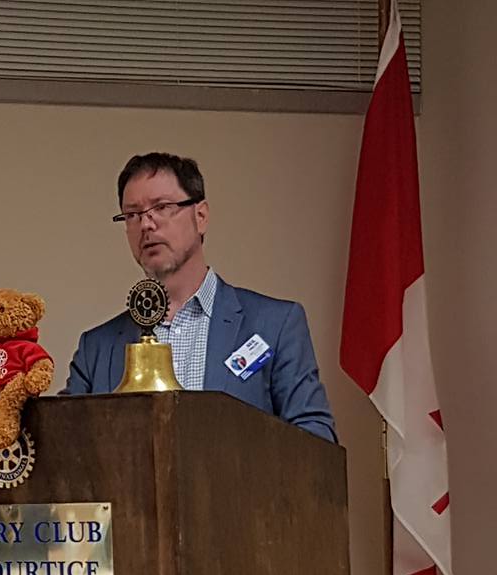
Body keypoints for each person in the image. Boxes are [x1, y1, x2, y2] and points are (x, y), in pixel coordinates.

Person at [63, 152, 337, 442]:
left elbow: (316, 438)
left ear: (201, 216)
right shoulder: (96, 348)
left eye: (162, 207)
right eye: (132, 214)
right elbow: (63, 444)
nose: (146, 224)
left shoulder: (275, 326)